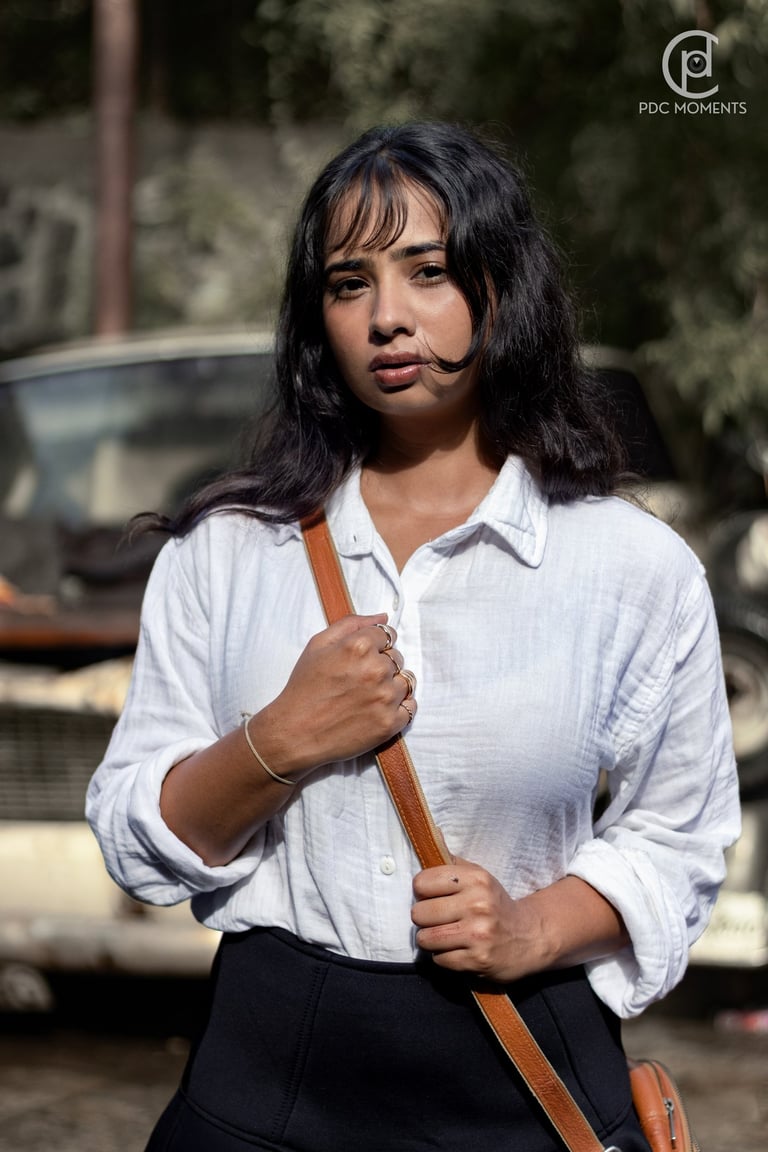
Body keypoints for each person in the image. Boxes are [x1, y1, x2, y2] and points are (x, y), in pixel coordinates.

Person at [86, 121, 739, 1152]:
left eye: (428, 272)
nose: (388, 317)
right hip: (268, 1079)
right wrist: (279, 741)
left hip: (523, 1070)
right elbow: (136, 839)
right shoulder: (229, 552)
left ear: (499, 286)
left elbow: (681, 835)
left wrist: (534, 926)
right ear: (318, 318)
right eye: (349, 284)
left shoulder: (630, 567)